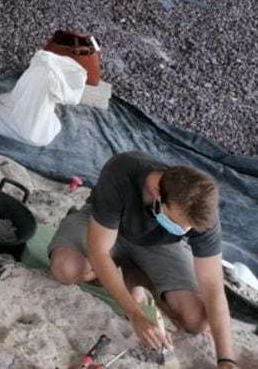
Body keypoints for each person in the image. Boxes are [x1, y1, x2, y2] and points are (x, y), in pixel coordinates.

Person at [49, 152, 235, 366]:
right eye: (179, 223)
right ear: (157, 193)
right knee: (66, 269)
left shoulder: (200, 213)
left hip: (158, 245)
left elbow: (213, 288)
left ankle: (134, 273)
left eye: (189, 228)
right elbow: (98, 251)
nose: (186, 230)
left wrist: (227, 359)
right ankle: (120, 270)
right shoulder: (123, 171)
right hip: (108, 228)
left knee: (198, 321)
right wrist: (135, 315)